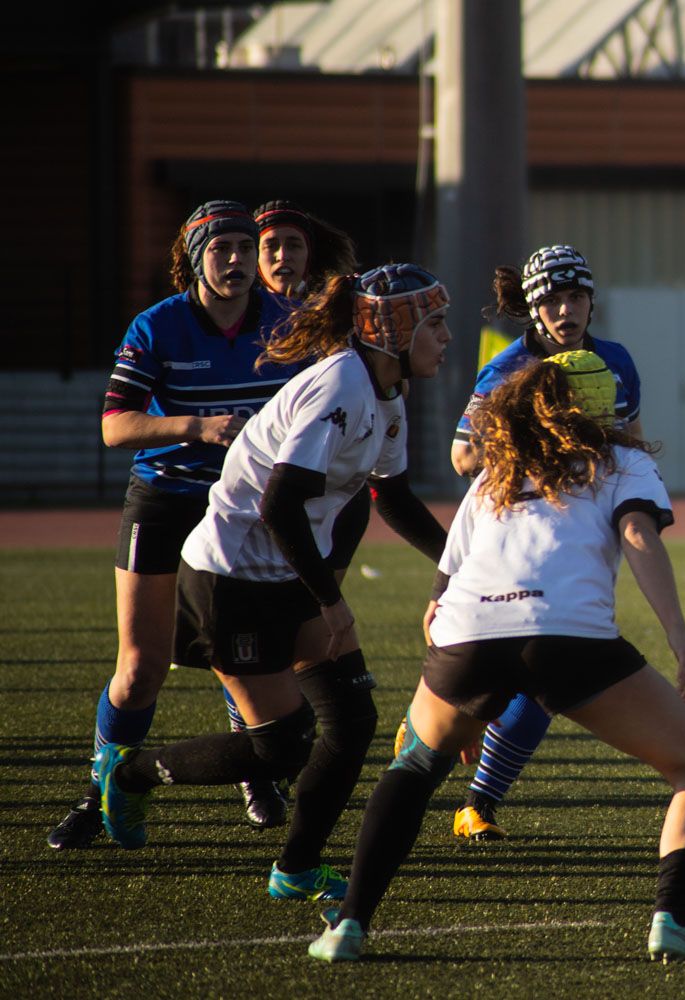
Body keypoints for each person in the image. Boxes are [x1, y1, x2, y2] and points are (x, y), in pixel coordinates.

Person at [308, 352, 685, 966]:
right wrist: (680, 637)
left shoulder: (493, 475)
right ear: (604, 405)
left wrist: (461, 698)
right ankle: (675, 918)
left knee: (414, 766)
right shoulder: (624, 461)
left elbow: (443, 591)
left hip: (468, 632)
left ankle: (349, 924)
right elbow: (638, 536)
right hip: (566, 637)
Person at [93, 264, 451, 904]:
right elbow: (280, 504)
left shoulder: (387, 392)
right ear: (394, 332)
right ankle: (134, 772)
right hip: (232, 579)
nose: (447, 336)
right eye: (435, 323)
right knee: (282, 747)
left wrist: (459, 566)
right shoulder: (342, 384)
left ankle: (297, 868)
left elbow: (390, 495)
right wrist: (331, 599)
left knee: (352, 719)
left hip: (287, 569)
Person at [46, 200, 301, 850]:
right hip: (164, 500)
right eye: (223, 250)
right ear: (194, 260)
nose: (239, 261)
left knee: (240, 655)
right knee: (140, 666)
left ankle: (255, 774)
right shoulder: (159, 325)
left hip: (241, 511)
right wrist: (196, 427)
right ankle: (101, 793)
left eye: (247, 247)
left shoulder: (284, 324)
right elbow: (114, 426)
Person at [445, 245, 643, 843]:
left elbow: (630, 442)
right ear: (533, 310)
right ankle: (441, 723)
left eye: (576, 296)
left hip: (580, 536)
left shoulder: (614, 361)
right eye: (551, 300)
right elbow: (462, 458)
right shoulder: (506, 367)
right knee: (510, 674)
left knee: (544, 678)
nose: (566, 309)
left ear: (592, 301)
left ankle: (477, 801)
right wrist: (534, 428)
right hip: (513, 536)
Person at [211, 200, 365, 829]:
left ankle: (283, 767)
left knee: (303, 656)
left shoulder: (327, 316)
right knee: (251, 656)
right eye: (267, 245)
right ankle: (257, 774)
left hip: (308, 514)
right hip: (245, 502)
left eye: (291, 245)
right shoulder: (237, 315)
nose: (279, 257)